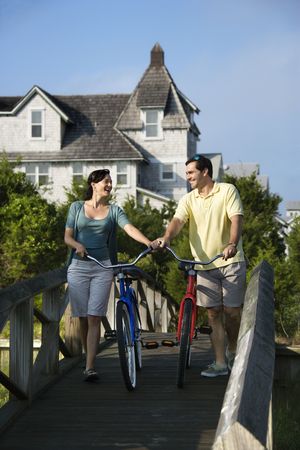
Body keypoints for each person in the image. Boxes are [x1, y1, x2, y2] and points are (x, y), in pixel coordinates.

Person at [154, 154, 246, 377]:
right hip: (204, 265)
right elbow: (177, 221)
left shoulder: (227, 190)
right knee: (213, 314)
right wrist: (167, 237)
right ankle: (220, 363)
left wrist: (232, 243)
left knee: (232, 312)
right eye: (187, 174)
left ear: (205, 171)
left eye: (190, 173)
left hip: (230, 261)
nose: (187, 178)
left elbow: (236, 219)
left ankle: (233, 349)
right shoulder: (189, 199)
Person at [64, 169, 156, 381]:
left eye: (111, 182)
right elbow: (67, 237)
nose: (109, 185)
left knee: (95, 316)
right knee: (83, 317)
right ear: (93, 184)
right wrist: (77, 245)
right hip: (78, 266)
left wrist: (147, 242)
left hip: (102, 267)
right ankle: (89, 353)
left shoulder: (114, 211)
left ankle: (89, 367)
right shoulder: (76, 208)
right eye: (106, 181)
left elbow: (129, 228)